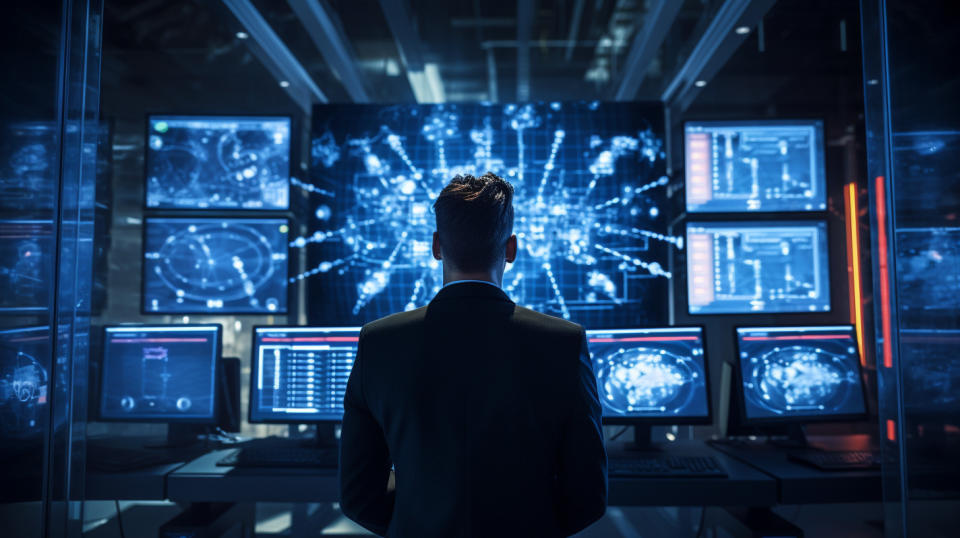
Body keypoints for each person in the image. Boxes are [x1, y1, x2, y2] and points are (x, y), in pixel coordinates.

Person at [339, 172, 607, 537]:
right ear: (511, 249)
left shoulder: (378, 342)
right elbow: (588, 496)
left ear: (437, 246)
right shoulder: (565, 342)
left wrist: (420, 518)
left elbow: (358, 496)